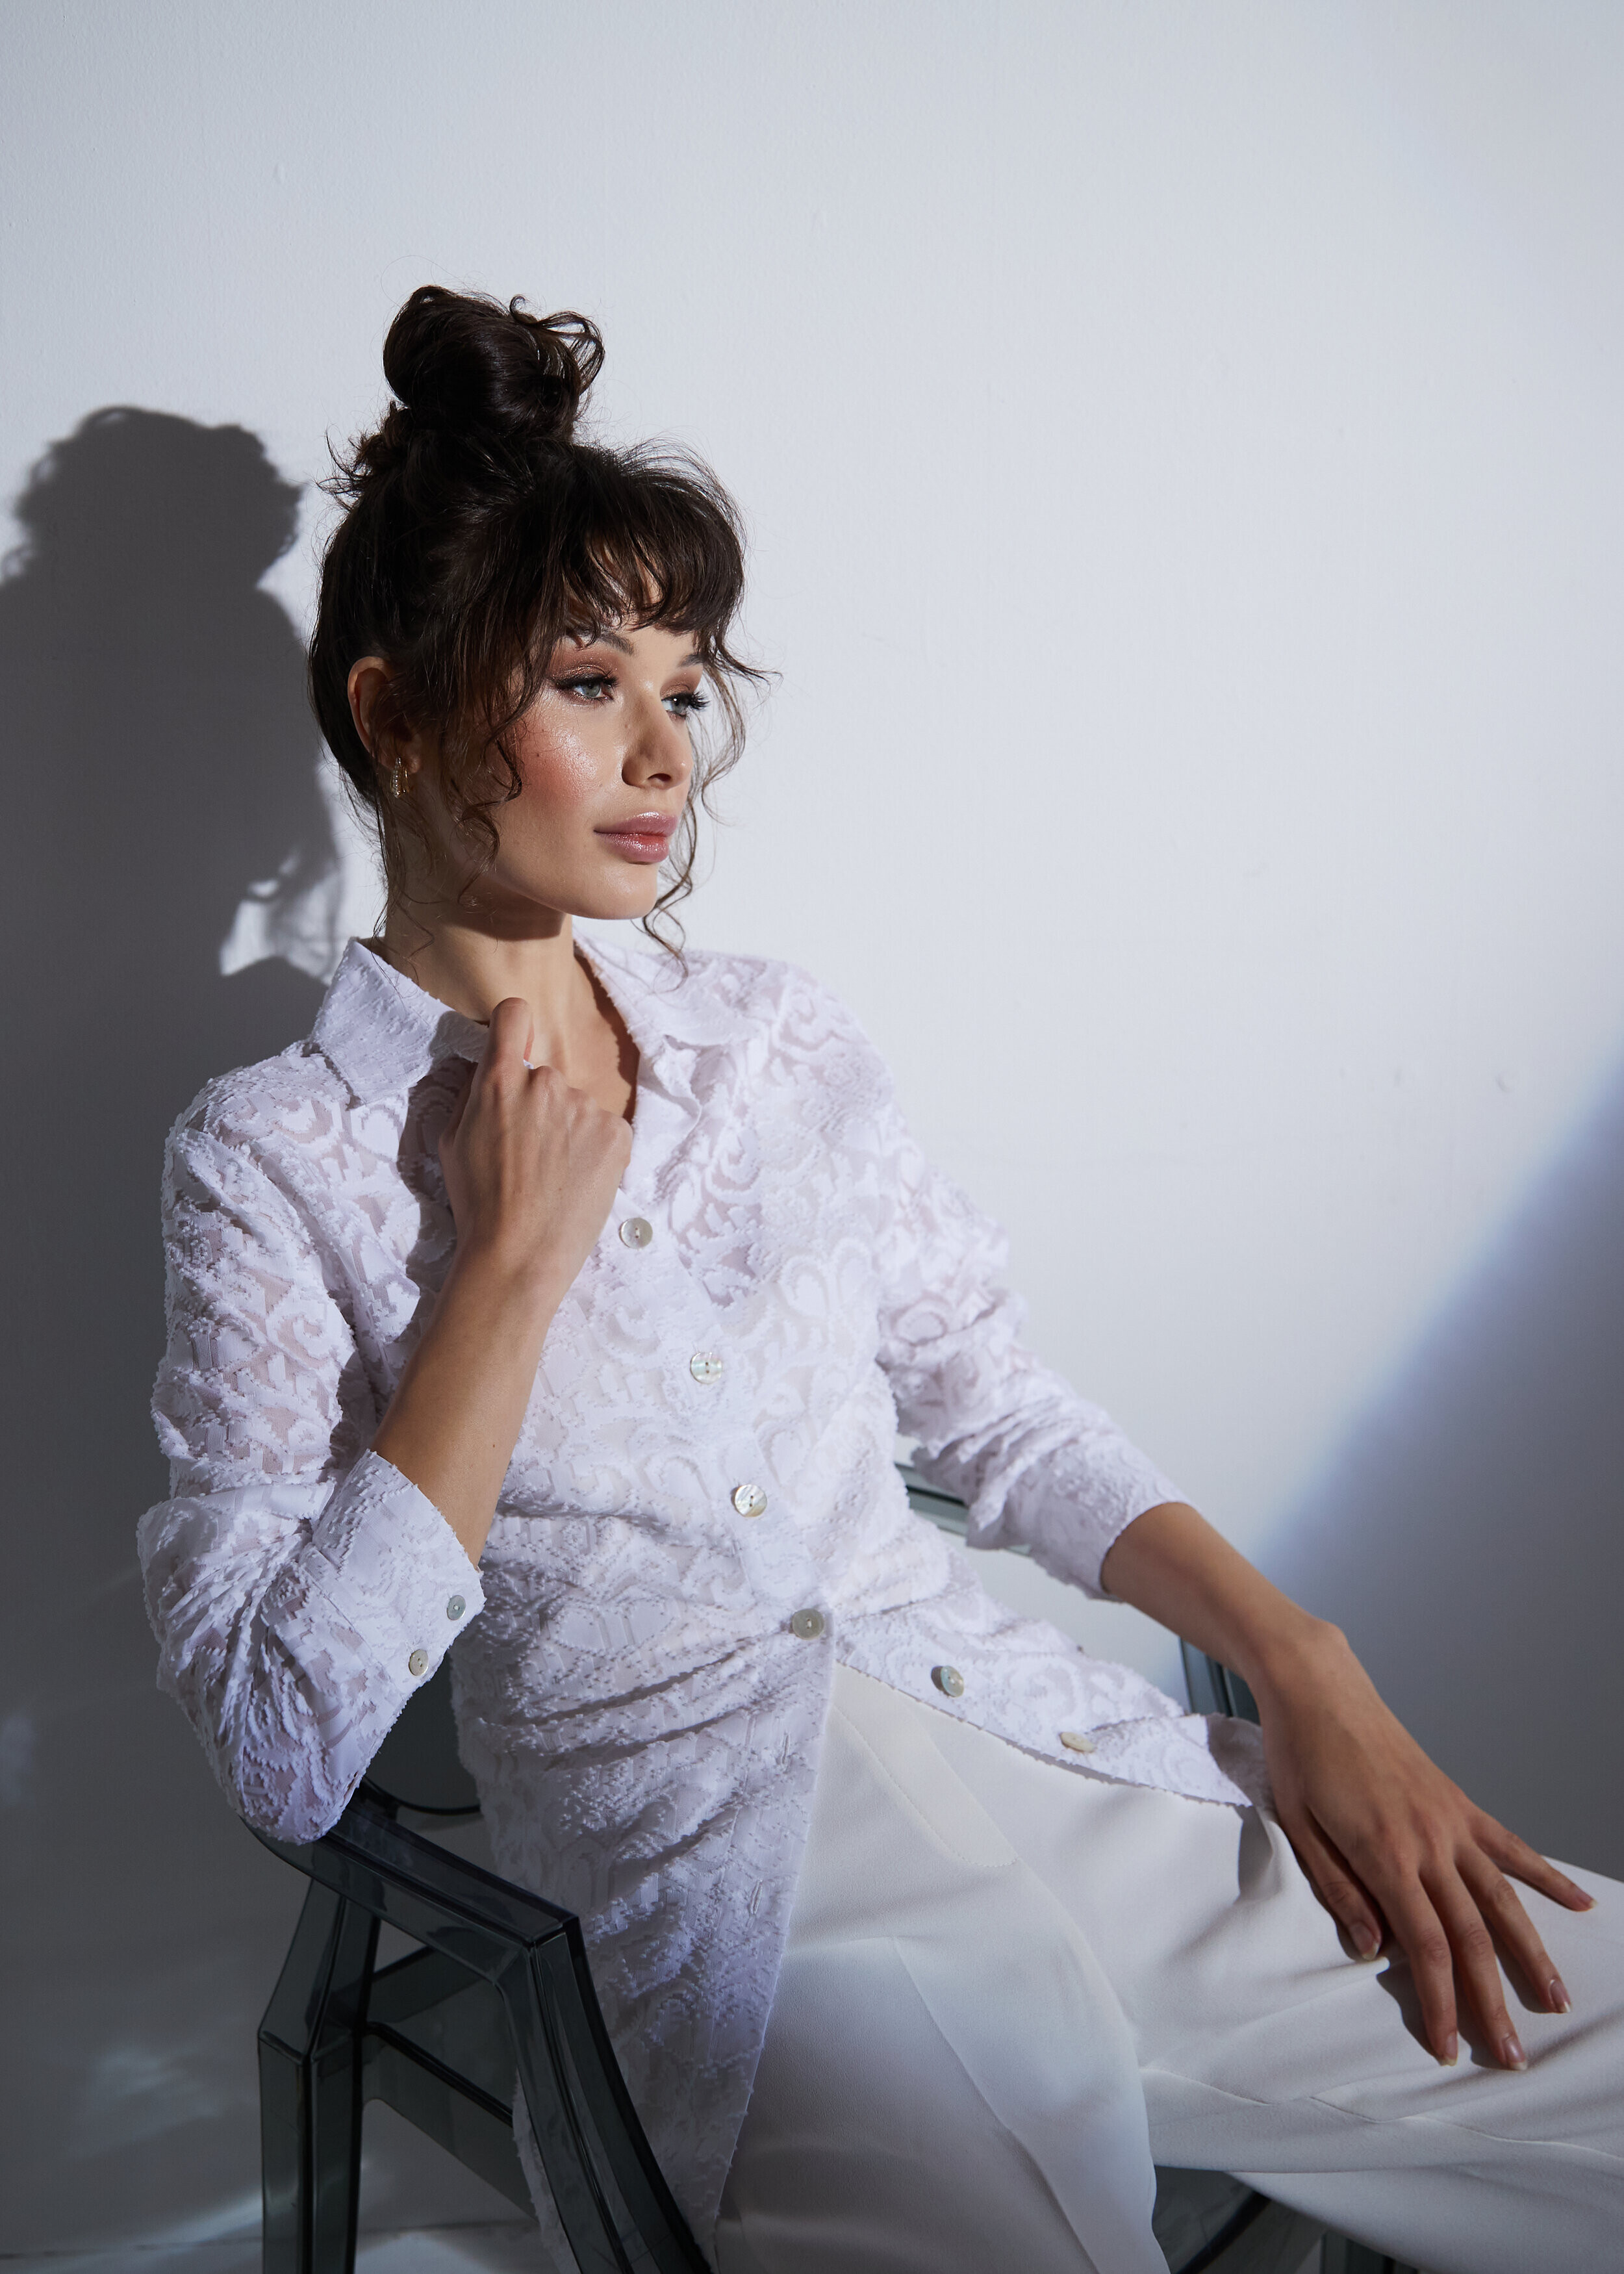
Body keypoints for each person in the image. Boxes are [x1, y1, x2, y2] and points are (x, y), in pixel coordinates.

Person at [139, 287, 1622, 2274]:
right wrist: (504, 1271)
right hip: (755, 1911)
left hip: (1046, 1758)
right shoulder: (269, 1155)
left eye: (683, 687)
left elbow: (990, 1400)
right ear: (396, 715)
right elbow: (280, 1738)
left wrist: (1307, 1662)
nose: (663, 753)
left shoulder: (773, 1038)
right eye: (587, 681)